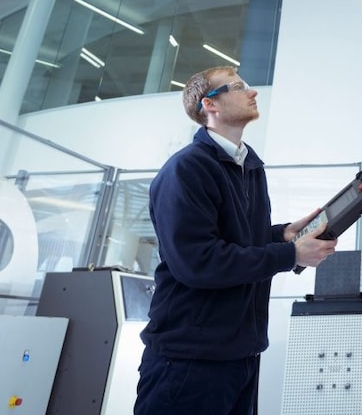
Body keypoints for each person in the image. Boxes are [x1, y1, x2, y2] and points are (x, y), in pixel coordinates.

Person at [135, 66, 339, 415]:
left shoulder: (250, 167)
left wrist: (283, 235)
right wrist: (289, 254)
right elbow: (199, 262)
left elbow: (241, 241)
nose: (252, 92)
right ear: (209, 105)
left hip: (240, 355)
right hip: (188, 361)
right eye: (238, 87)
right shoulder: (186, 170)